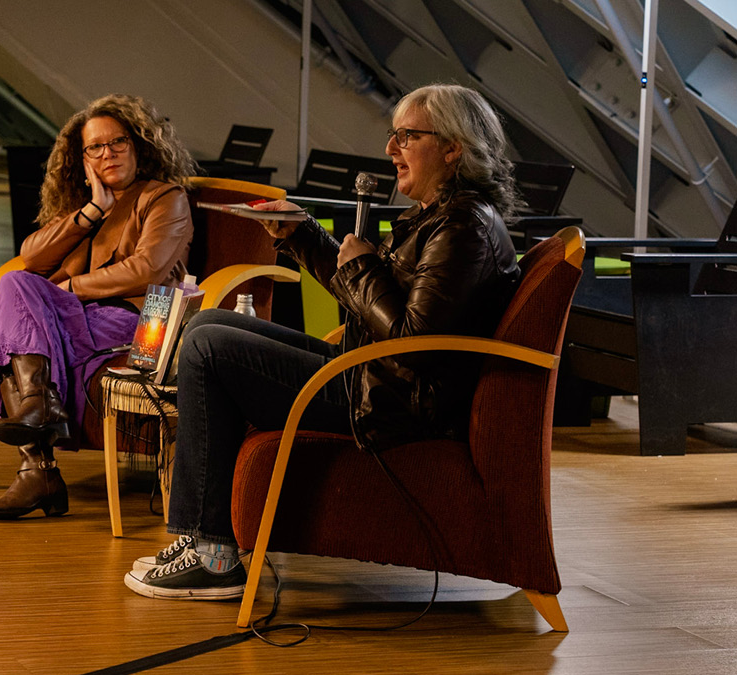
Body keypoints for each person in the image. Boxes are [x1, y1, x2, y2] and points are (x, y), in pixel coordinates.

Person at [124, 83, 524, 599]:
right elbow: (381, 311)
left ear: (454, 148)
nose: (391, 149)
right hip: (372, 378)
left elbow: (415, 341)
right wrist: (303, 234)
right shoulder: (443, 217)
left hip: (391, 403)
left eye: (407, 136)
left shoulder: (463, 228)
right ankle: (204, 538)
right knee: (207, 327)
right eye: (393, 134)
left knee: (207, 348)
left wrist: (361, 264)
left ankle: (213, 554)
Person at [0, 93, 196, 520]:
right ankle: (41, 423)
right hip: (75, 322)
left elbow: (146, 270)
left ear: (139, 143)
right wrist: (91, 211)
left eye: (117, 142)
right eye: (95, 147)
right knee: (18, 287)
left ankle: (39, 463)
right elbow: (32, 256)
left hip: (136, 322)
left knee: (13, 317)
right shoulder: (86, 206)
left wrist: (69, 289)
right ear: (83, 158)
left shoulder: (165, 198)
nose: (107, 154)